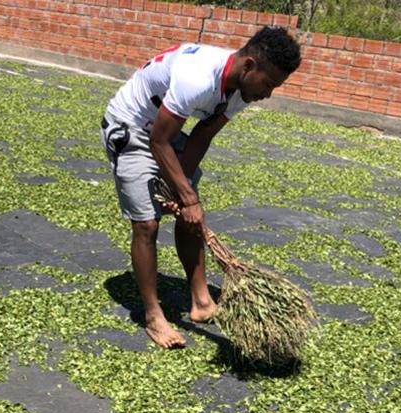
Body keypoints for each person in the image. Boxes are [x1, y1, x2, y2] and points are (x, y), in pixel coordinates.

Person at [100, 26, 301, 349]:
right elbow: (159, 141)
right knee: (147, 223)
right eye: (268, 84)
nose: (268, 94)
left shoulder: (242, 90)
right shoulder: (198, 77)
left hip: (164, 131)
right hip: (132, 126)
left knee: (189, 215)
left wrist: (183, 192)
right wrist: (188, 197)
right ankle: (153, 316)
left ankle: (202, 300)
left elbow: (203, 134)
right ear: (249, 66)